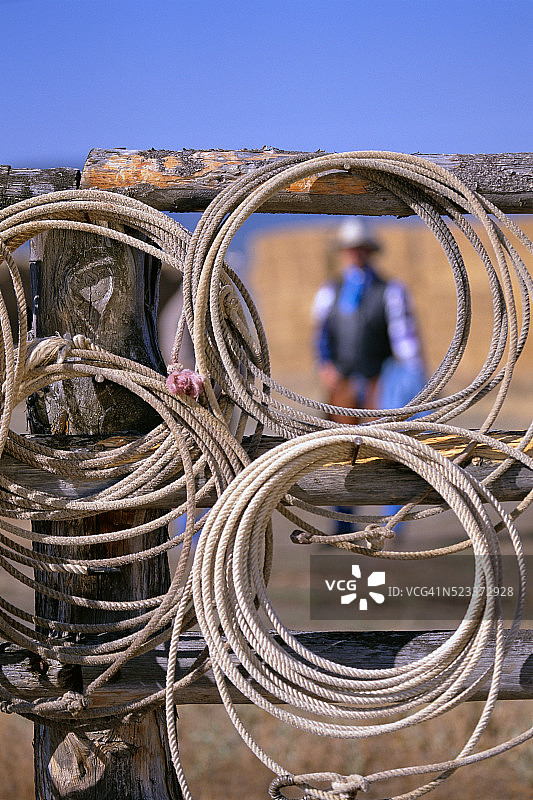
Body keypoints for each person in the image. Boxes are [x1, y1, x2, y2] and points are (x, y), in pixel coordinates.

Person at [312, 216, 426, 533]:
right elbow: (321, 335)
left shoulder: (391, 291)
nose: (354, 253)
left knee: (387, 448)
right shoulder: (330, 291)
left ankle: (391, 522)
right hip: (343, 381)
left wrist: (412, 380)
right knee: (339, 450)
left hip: (380, 379)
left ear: (369, 251)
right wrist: (326, 366)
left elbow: (405, 341)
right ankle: (342, 520)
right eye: (350, 248)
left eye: (360, 248)